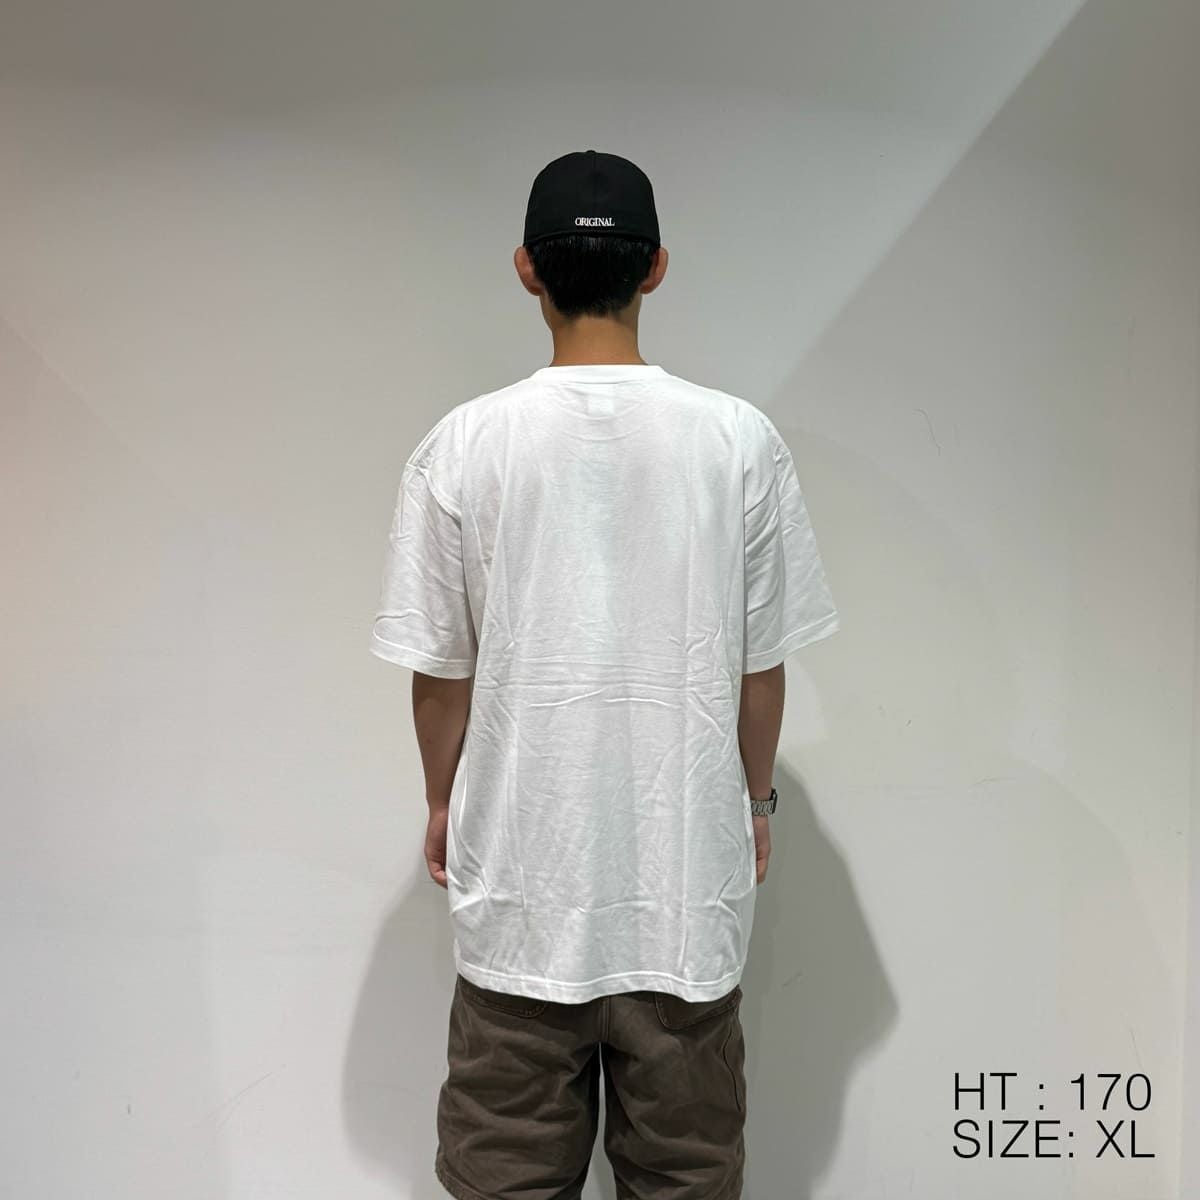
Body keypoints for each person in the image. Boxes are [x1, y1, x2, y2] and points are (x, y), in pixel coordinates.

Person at [370, 149, 841, 1200]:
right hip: (683, 906)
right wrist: (755, 801)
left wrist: (444, 800)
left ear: (527, 269)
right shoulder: (738, 441)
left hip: (521, 907)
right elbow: (760, 669)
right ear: (657, 268)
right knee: (685, 1180)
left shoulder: (463, 445)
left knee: (502, 1181)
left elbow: (440, 675)